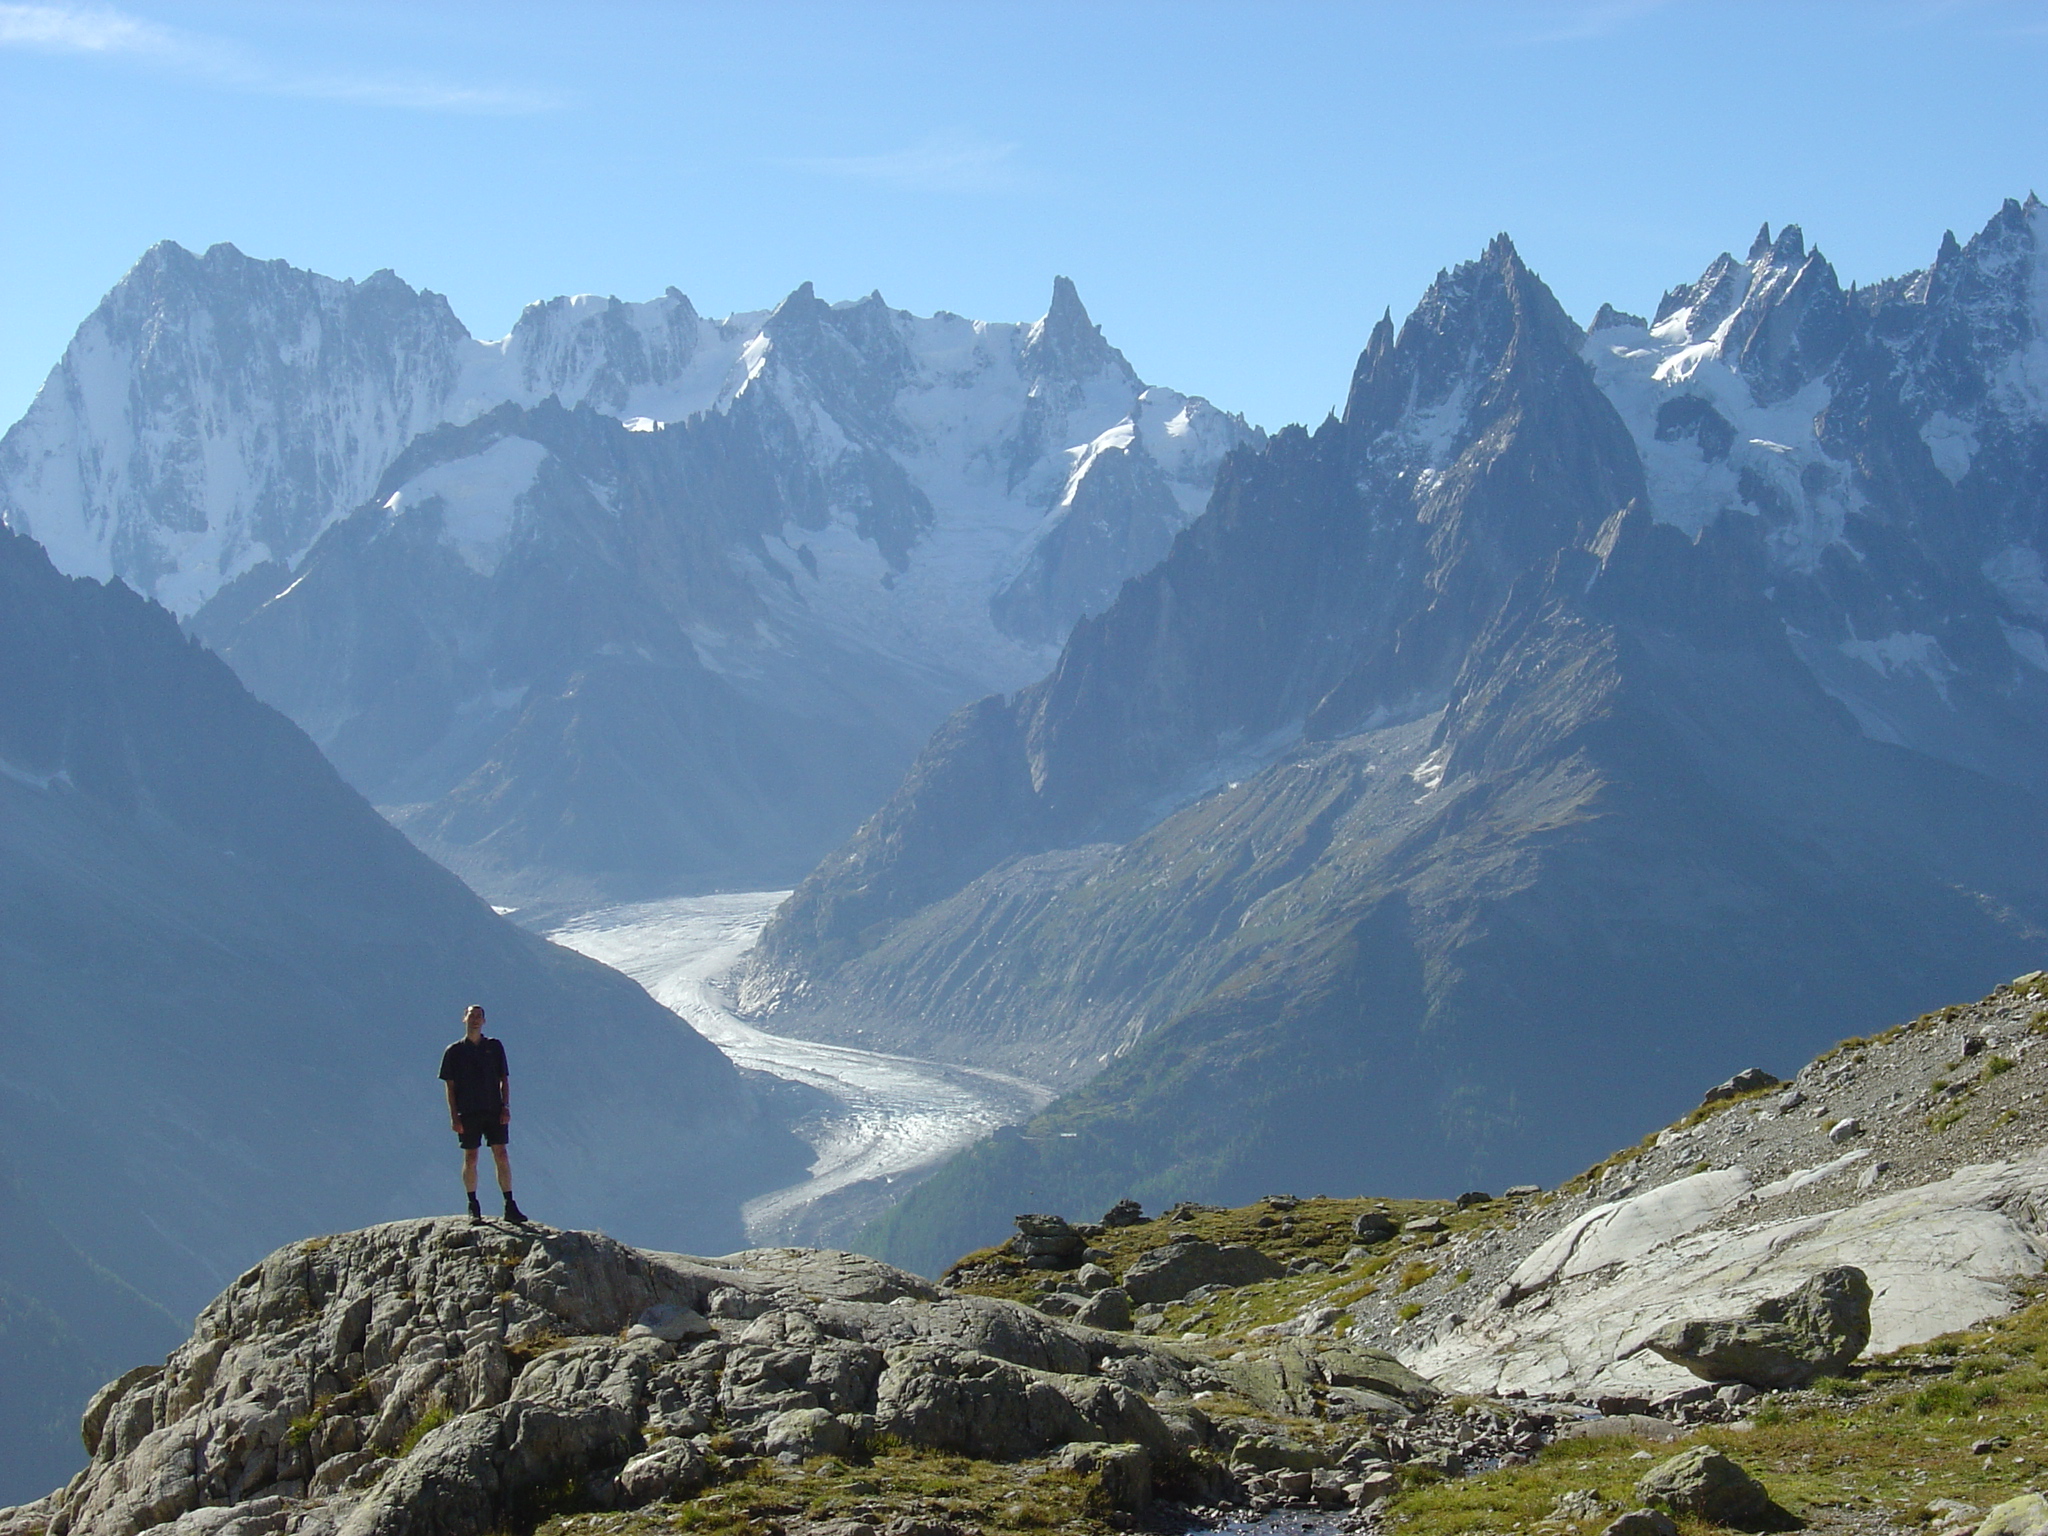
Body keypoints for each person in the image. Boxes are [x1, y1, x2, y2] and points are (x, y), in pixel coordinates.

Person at [438, 1005, 528, 1223]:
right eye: (472, 1016)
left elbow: (504, 1079)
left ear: (484, 1021)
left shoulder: (494, 1047)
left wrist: (506, 1106)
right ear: (464, 1019)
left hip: (494, 1109)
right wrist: (454, 1116)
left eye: (479, 1016)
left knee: (501, 1154)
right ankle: (473, 1205)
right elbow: (449, 1087)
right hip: (468, 1111)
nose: (475, 1020)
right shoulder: (454, 1051)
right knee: (471, 1156)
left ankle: (509, 1204)